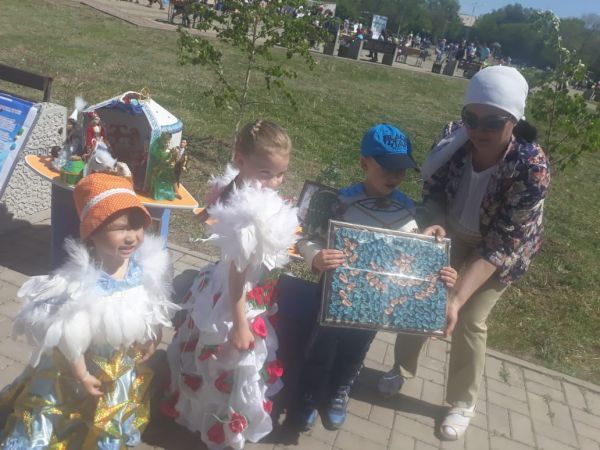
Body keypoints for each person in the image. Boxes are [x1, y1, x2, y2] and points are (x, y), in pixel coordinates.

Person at [377, 66, 550, 440]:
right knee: (422, 296)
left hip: (500, 248)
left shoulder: (530, 167)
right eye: (470, 118)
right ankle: (401, 367)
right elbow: (433, 188)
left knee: (469, 317)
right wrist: (437, 222)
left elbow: (503, 243)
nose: (478, 130)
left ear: (514, 121)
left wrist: (455, 298)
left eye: (492, 122)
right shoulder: (452, 140)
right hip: (451, 232)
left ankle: (462, 401)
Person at [294, 124, 458, 431]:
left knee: (356, 349)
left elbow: (416, 260)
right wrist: (315, 256)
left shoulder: (411, 213)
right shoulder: (339, 203)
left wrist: (437, 265)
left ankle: (339, 391)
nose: (395, 176)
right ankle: (309, 392)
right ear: (364, 163)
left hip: (375, 304)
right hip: (334, 295)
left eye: (401, 169)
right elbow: (307, 239)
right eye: (387, 167)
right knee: (321, 345)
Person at [0, 172, 178, 448]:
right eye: (119, 229)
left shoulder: (146, 268)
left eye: (136, 226)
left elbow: (153, 304)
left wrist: (154, 334)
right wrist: (81, 374)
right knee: (61, 413)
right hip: (77, 367)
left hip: (118, 365)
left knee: (106, 416)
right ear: (93, 233)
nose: (131, 237)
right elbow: (70, 333)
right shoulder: (81, 284)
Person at [162, 120, 299, 450]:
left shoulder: (235, 188)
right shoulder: (249, 217)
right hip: (236, 301)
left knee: (210, 358)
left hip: (221, 286)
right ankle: (218, 424)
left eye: (280, 174)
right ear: (241, 160)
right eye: (266, 173)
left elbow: (209, 212)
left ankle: (200, 414)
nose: (274, 182)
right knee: (230, 362)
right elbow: (239, 276)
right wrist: (240, 325)